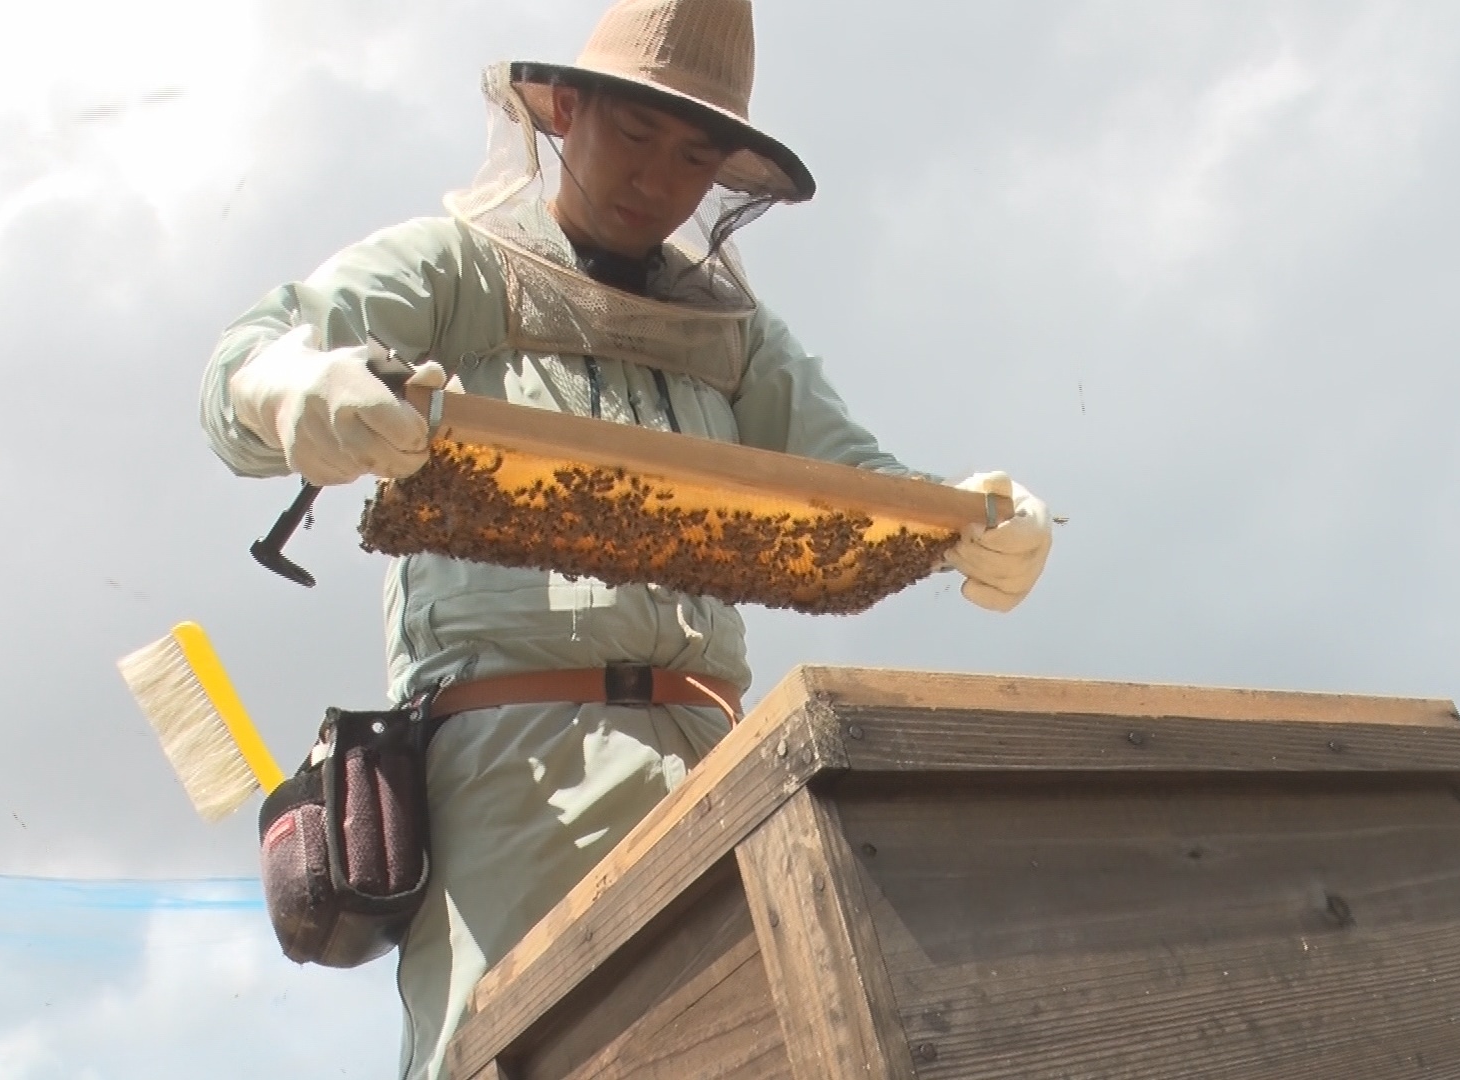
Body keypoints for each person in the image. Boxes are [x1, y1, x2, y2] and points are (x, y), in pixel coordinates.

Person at [198, 1, 1051, 1075]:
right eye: (637, 135)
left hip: (721, 770)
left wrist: (968, 521)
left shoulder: (738, 337)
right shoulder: (459, 267)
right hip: (512, 776)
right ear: (566, 107)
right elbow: (248, 362)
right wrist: (294, 389)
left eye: (694, 156)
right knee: (513, 1052)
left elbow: (862, 490)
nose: (659, 179)